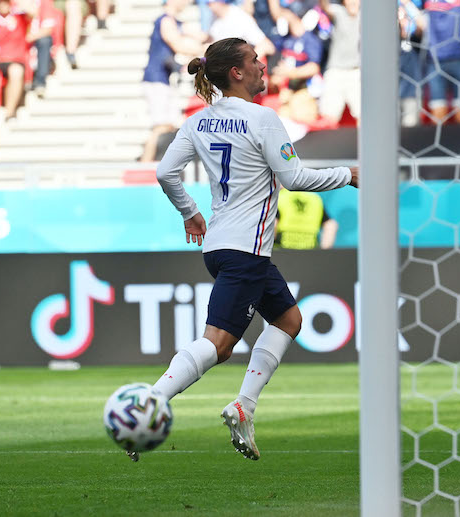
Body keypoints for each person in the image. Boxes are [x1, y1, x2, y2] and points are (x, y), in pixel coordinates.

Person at [142, 37, 358, 463]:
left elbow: (166, 172)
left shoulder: (199, 122)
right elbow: (294, 179)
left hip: (221, 247)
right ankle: (150, 401)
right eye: (255, 60)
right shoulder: (262, 118)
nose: (263, 65)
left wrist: (190, 213)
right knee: (219, 345)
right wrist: (347, 174)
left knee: (289, 319)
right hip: (246, 251)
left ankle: (244, 406)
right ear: (236, 72)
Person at [140, 0, 207, 162]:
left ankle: (151, 164)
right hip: (156, 79)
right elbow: (178, 45)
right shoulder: (166, 20)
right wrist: (206, 51)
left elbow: (199, 36)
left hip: (163, 80)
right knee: (161, 127)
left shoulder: (175, 22)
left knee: (169, 125)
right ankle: (144, 166)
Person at [317, 0, 360, 125]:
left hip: (357, 72)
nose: (353, 2)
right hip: (335, 71)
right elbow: (325, 7)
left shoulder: (367, 16)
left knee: (363, 115)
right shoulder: (338, 11)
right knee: (329, 116)